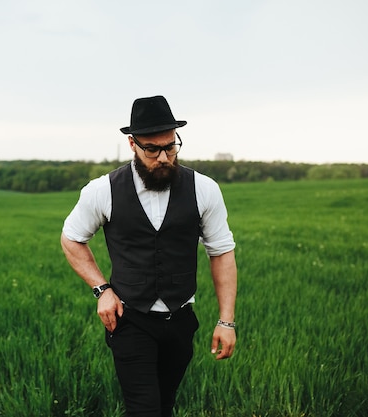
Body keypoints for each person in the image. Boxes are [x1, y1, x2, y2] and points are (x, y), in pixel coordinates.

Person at [60, 95, 237, 417]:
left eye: (170, 146)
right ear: (132, 144)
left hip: (181, 320)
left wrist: (226, 321)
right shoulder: (102, 190)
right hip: (130, 320)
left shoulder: (205, 189)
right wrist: (102, 289)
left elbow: (221, 251)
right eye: (152, 149)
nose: (164, 157)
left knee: (165, 405)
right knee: (144, 410)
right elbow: (72, 239)